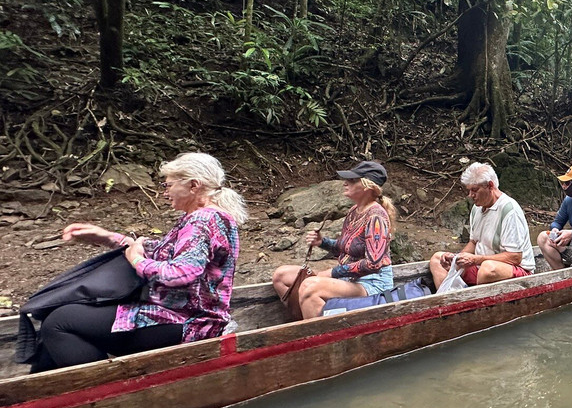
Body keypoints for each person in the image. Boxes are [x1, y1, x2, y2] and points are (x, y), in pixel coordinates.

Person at [35, 152, 246, 371]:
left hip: (187, 323)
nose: (165, 192)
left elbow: (182, 272)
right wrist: (110, 238)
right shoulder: (209, 217)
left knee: (59, 323)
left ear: (193, 186)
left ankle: (104, 394)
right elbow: (162, 251)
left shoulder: (203, 219)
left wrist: (136, 261)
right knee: (66, 317)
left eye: (169, 185)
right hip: (186, 319)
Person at [272, 160, 395, 319]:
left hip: (371, 284)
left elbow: (374, 263)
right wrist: (322, 242)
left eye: (352, 180)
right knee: (281, 276)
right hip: (347, 279)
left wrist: (332, 272)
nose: (345, 183)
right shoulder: (354, 211)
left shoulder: (376, 217)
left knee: (310, 286)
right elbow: (347, 247)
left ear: (367, 186)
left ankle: (318, 338)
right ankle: (304, 322)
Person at [429, 162, 534, 288]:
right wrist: (457, 258)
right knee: (437, 259)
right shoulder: (477, 208)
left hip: (514, 270)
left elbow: (515, 257)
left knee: (487, 269)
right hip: (480, 266)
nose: (470, 195)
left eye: (475, 190)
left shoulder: (509, 210)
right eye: (469, 191)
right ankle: (449, 301)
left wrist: (476, 259)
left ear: (490, 186)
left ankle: (474, 300)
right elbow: (473, 243)